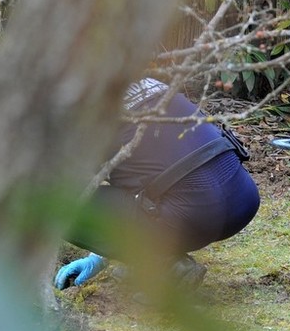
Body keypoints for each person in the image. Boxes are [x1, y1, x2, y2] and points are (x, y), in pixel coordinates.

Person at [54, 78, 260, 291]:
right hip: (243, 200)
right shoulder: (145, 81)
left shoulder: (75, 111)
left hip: (195, 216)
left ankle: (166, 266)